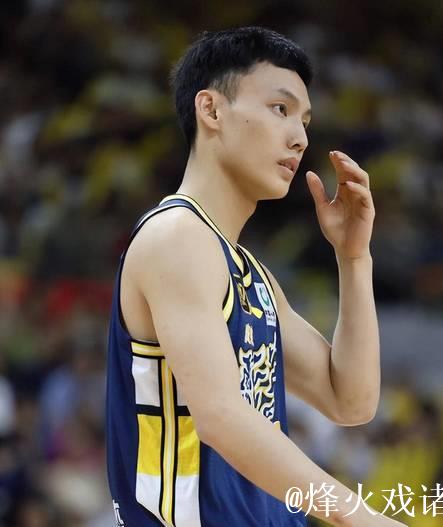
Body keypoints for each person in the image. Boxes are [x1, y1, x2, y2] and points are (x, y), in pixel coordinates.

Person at [106, 26, 407, 527]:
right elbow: (221, 416)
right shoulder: (176, 237)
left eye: (304, 121)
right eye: (280, 109)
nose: (300, 138)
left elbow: (350, 400)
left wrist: (354, 259)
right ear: (211, 110)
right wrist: (364, 518)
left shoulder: (248, 271)